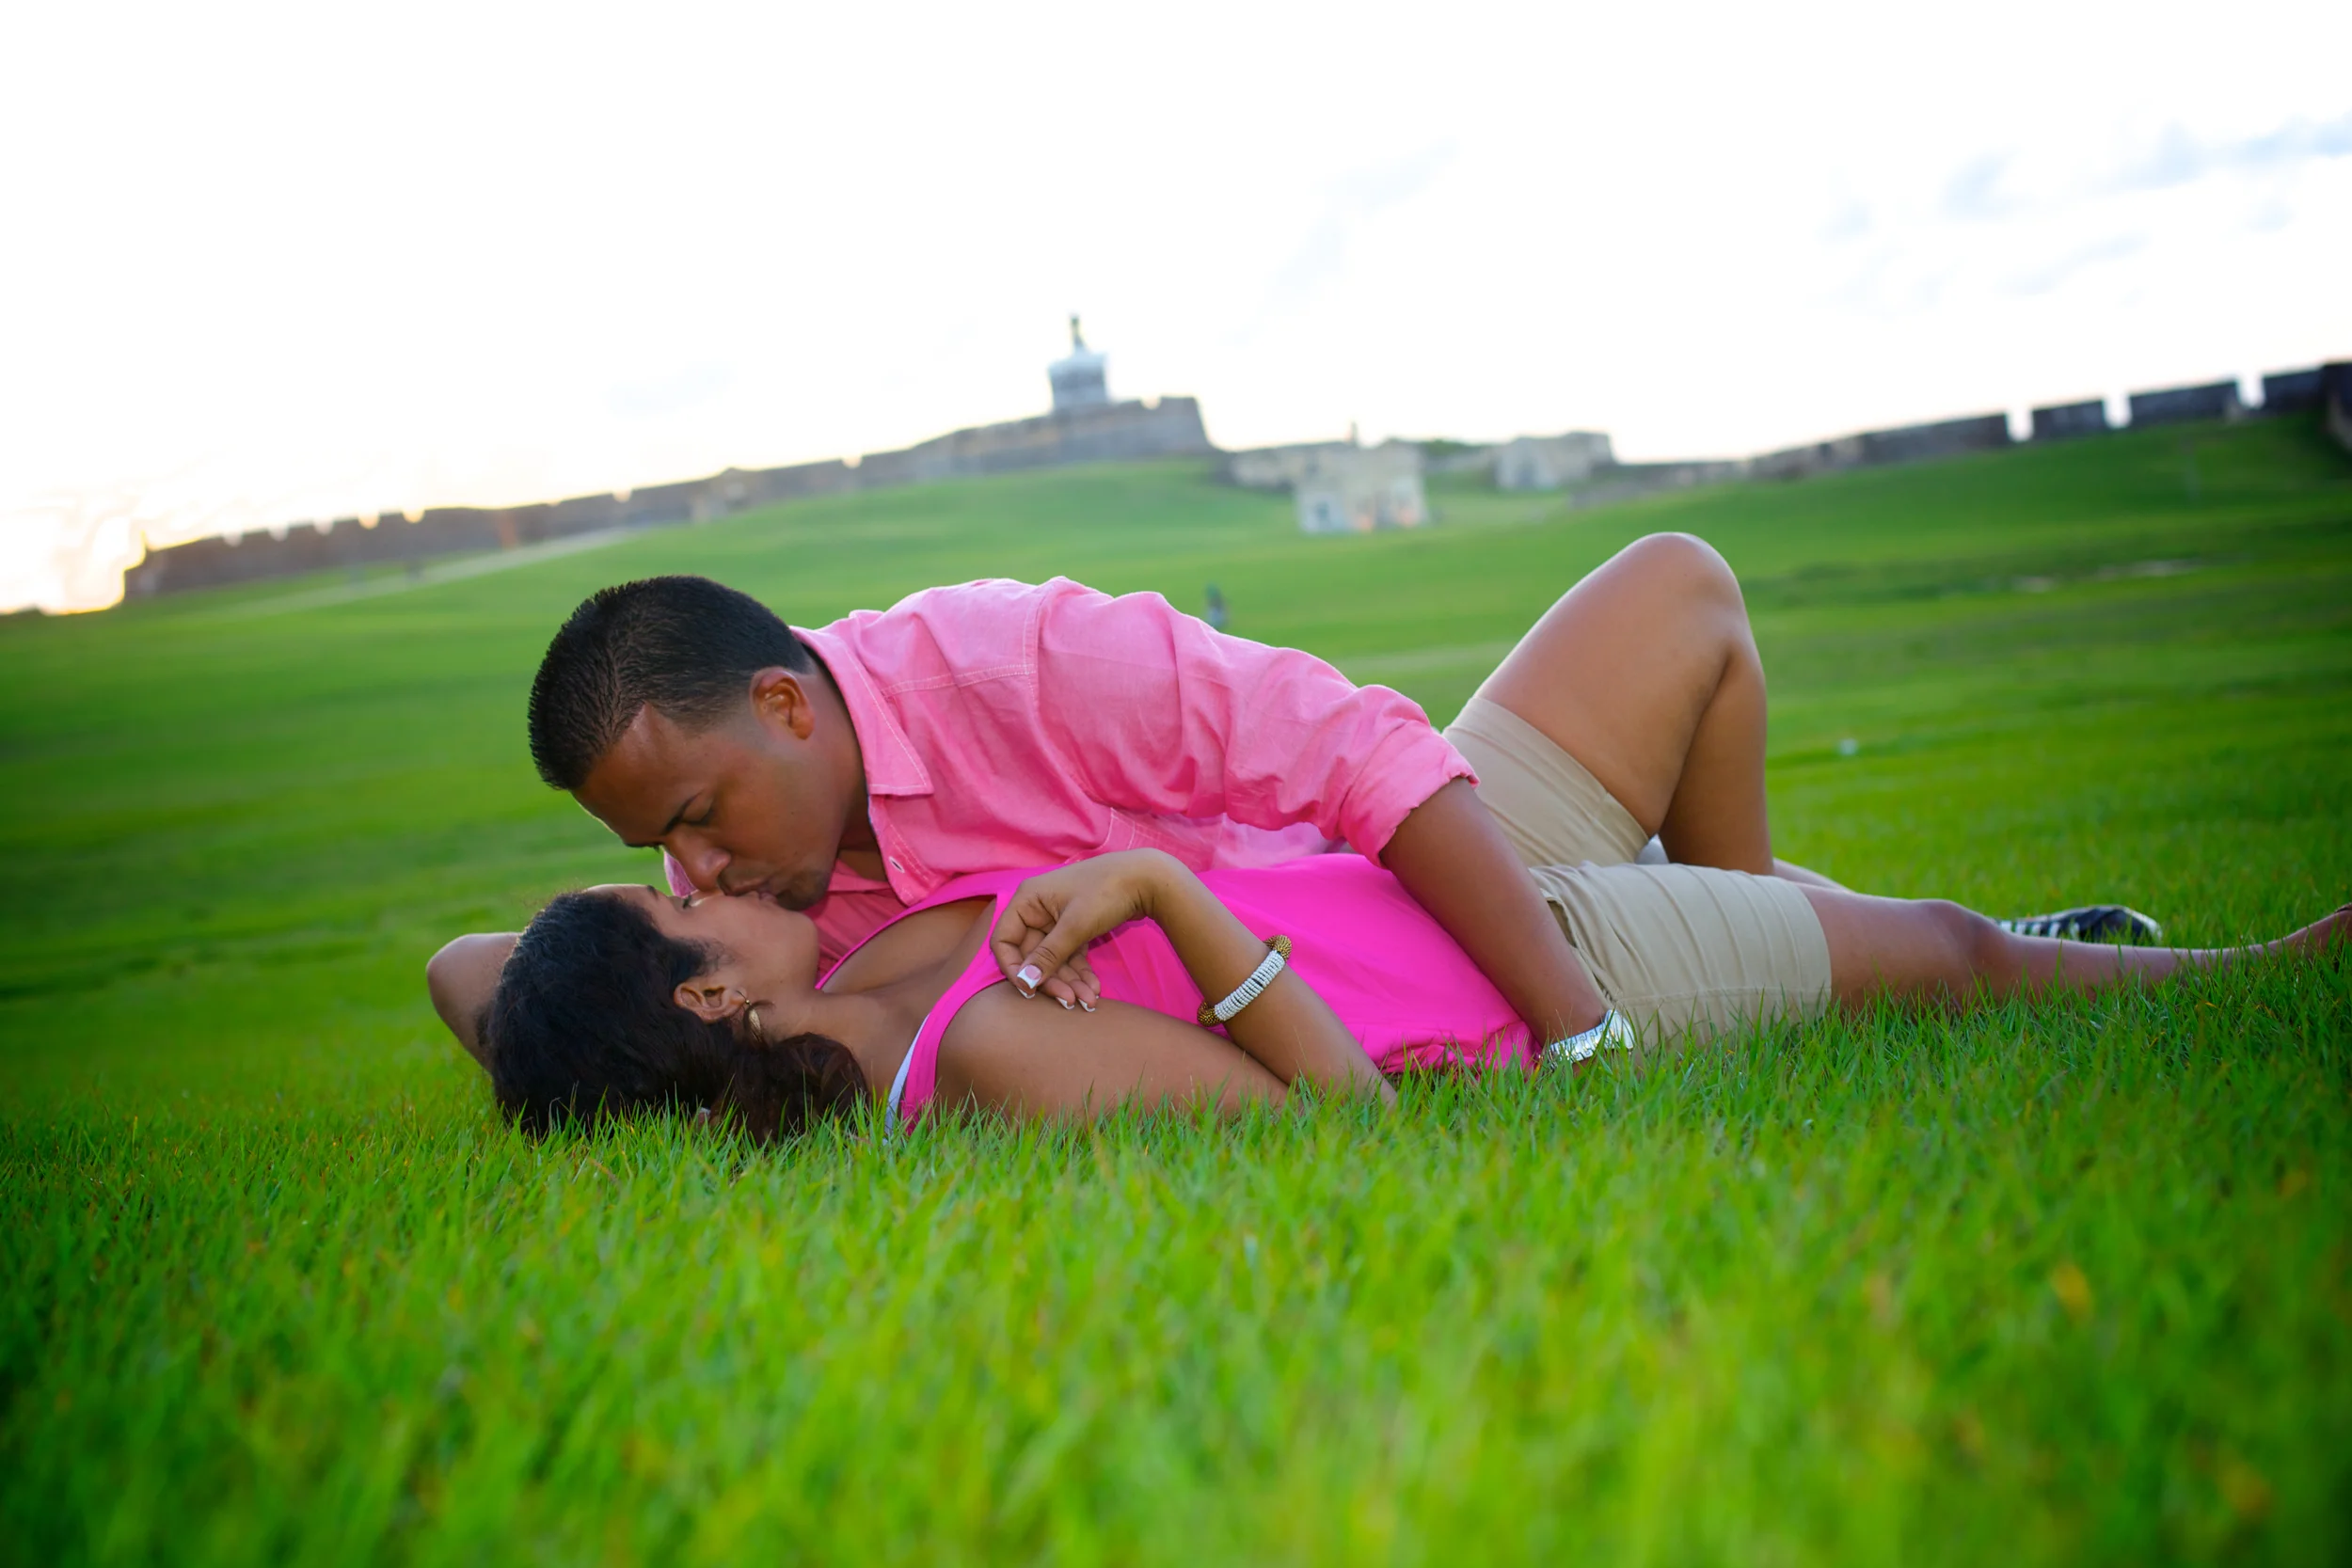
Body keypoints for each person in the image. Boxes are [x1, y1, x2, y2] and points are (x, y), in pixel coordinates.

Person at [429, 535, 2147, 1064]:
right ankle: (1831, 952)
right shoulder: (761, 920)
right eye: (655, 860)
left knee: (1684, 588)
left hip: (1405, 871)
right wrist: (661, 1022)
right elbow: (470, 970)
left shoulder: (1026, 662)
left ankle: (1783, 942)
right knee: (1888, 947)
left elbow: (1364, 754)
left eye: (701, 817)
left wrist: (1580, 1032)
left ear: (790, 704)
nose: (695, 868)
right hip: (1362, 964)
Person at [480, 845, 2347, 1137]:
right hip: (1516, 987)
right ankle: (2258, 975)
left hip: (1439, 894)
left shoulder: (868, 969)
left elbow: (467, 974)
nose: (696, 877)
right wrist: (1171, 890)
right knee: (1935, 950)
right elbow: (1337, 1119)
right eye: (670, 905)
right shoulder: (973, 1048)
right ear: (702, 1007)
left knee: (1865, 920)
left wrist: (572, 1017)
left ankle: (2065, 955)